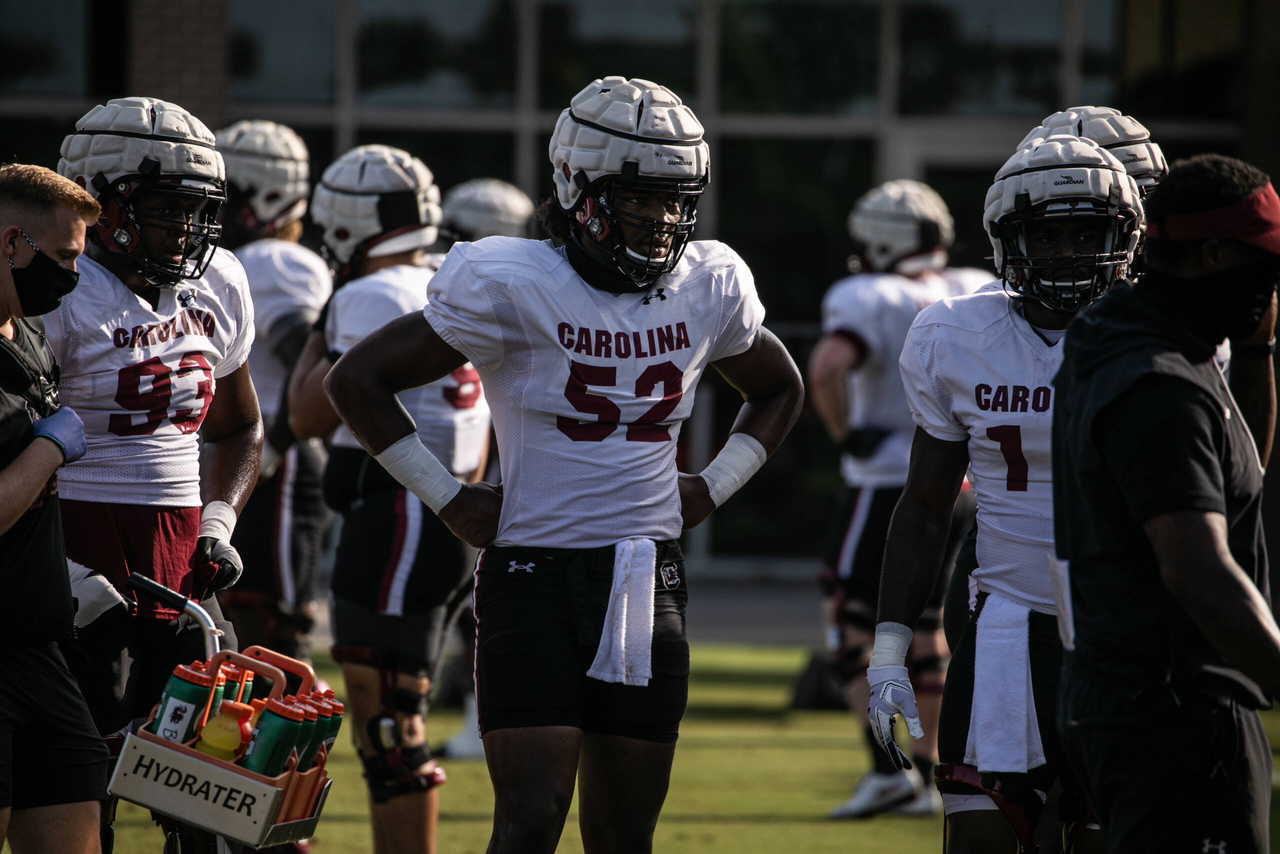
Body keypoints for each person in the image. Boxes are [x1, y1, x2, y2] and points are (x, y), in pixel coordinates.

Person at [322, 76, 805, 854]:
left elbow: (780, 388)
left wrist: (713, 488)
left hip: (646, 576)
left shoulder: (708, 282)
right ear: (578, 186)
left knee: (622, 832)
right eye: (641, 198)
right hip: (531, 575)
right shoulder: (513, 281)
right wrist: (447, 498)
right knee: (531, 819)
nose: (664, 220)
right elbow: (354, 381)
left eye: (677, 200)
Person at [869, 134, 1143, 852]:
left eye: (1090, 234)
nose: (1072, 253)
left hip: (1130, 630)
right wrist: (890, 647)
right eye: (1051, 237)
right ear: (1010, 243)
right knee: (981, 840)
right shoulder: (958, 334)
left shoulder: (1160, 335)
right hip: (1004, 632)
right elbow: (925, 506)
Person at [1053, 154, 1280, 853]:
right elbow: (1196, 571)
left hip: (1131, 699)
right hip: (1178, 715)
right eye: (1263, 262)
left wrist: (1257, 347)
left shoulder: (1117, 336)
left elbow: (1244, 470)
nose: (1273, 280)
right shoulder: (1159, 387)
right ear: (1213, 255)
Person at [288, 144, 488, 854]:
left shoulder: (370, 293)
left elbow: (307, 413)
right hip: (440, 514)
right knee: (397, 712)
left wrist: (320, 323)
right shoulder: (446, 280)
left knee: (388, 720)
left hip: (400, 515)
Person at [50, 97, 261, 738]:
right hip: (69, 536)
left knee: (213, 762)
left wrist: (218, 522)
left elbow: (238, 428)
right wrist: (51, 570)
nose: (187, 229)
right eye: (168, 207)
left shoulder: (219, 279)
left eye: (198, 209)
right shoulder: (52, 289)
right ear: (97, 199)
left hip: (181, 545)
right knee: (78, 776)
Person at [808, 179, 983, 818]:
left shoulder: (869, 295)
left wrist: (846, 434)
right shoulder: (973, 287)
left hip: (886, 483)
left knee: (850, 621)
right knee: (929, 625)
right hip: (962, 483)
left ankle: (888, 769)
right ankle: (930, 771)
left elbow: (827, 365)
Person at [0, 164, 106, 854]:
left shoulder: (26, 334)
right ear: (12, 243)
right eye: (65, 256)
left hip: (37, 643)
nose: (73, 273)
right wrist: (50, 449)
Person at [214, 119, 333, 661]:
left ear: (266, 196)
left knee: (272, 631)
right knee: (231, 621)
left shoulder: (275, 262)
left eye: (227, 193)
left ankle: (289, 741)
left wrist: (275, 449)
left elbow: (312, 367)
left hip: (276, 465)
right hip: (247, 461)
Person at [431, 176, 535, 763]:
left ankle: (481, 721)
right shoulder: (540, 288)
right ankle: (477, 718)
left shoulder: (473, 292)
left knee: (485, 606)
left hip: (491, 465)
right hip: (491, 461)